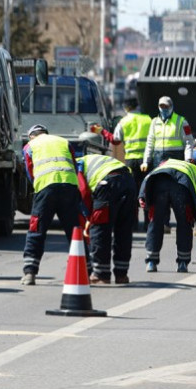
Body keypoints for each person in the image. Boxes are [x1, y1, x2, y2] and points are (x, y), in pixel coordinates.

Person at [20, 124, 81, 286]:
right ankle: (85, 270)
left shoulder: (29, 146)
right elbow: (75, 166)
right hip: (70, 186)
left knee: (36, 230)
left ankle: (30, 272)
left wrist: (39, 187)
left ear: (32, 136)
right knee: (75, 231)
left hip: (46, 189)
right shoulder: (63, 141)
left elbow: (30, 171)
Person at [139, 147, 196, 273]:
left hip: (159, 183)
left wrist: (142, 195)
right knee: (185, 223)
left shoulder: (163, 164)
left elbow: (149, 177)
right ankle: (182, 263)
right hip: (182, 185)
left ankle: (151, 262)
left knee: (155, 222)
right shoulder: (195, 169)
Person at [90, 97, 151, 230]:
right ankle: (148, 223)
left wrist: (101, 131)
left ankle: (134, 223)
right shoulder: (148, 119)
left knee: (132, 192)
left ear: (126, 108)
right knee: (148, 191)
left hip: (131, 161)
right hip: (147, 160)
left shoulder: (124, 121)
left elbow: (115, 140)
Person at [77, 154, 137, 284]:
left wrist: (89, 218)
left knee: (100, 228)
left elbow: (83, 192)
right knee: (124, 230)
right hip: (129, 181)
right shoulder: (91, 159)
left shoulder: (76, 166)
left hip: (108, 184)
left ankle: (101, 273)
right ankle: (122, 274)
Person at [141, 96, 194, 171]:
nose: (163, 109)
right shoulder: (154, 122)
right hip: (158, 159)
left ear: (171, 106)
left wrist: (188, 159)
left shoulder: (182, 121)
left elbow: (189, 141)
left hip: (176, 159)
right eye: (161, 106)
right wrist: (146, 161)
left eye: (166, 106)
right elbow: (150, 143)